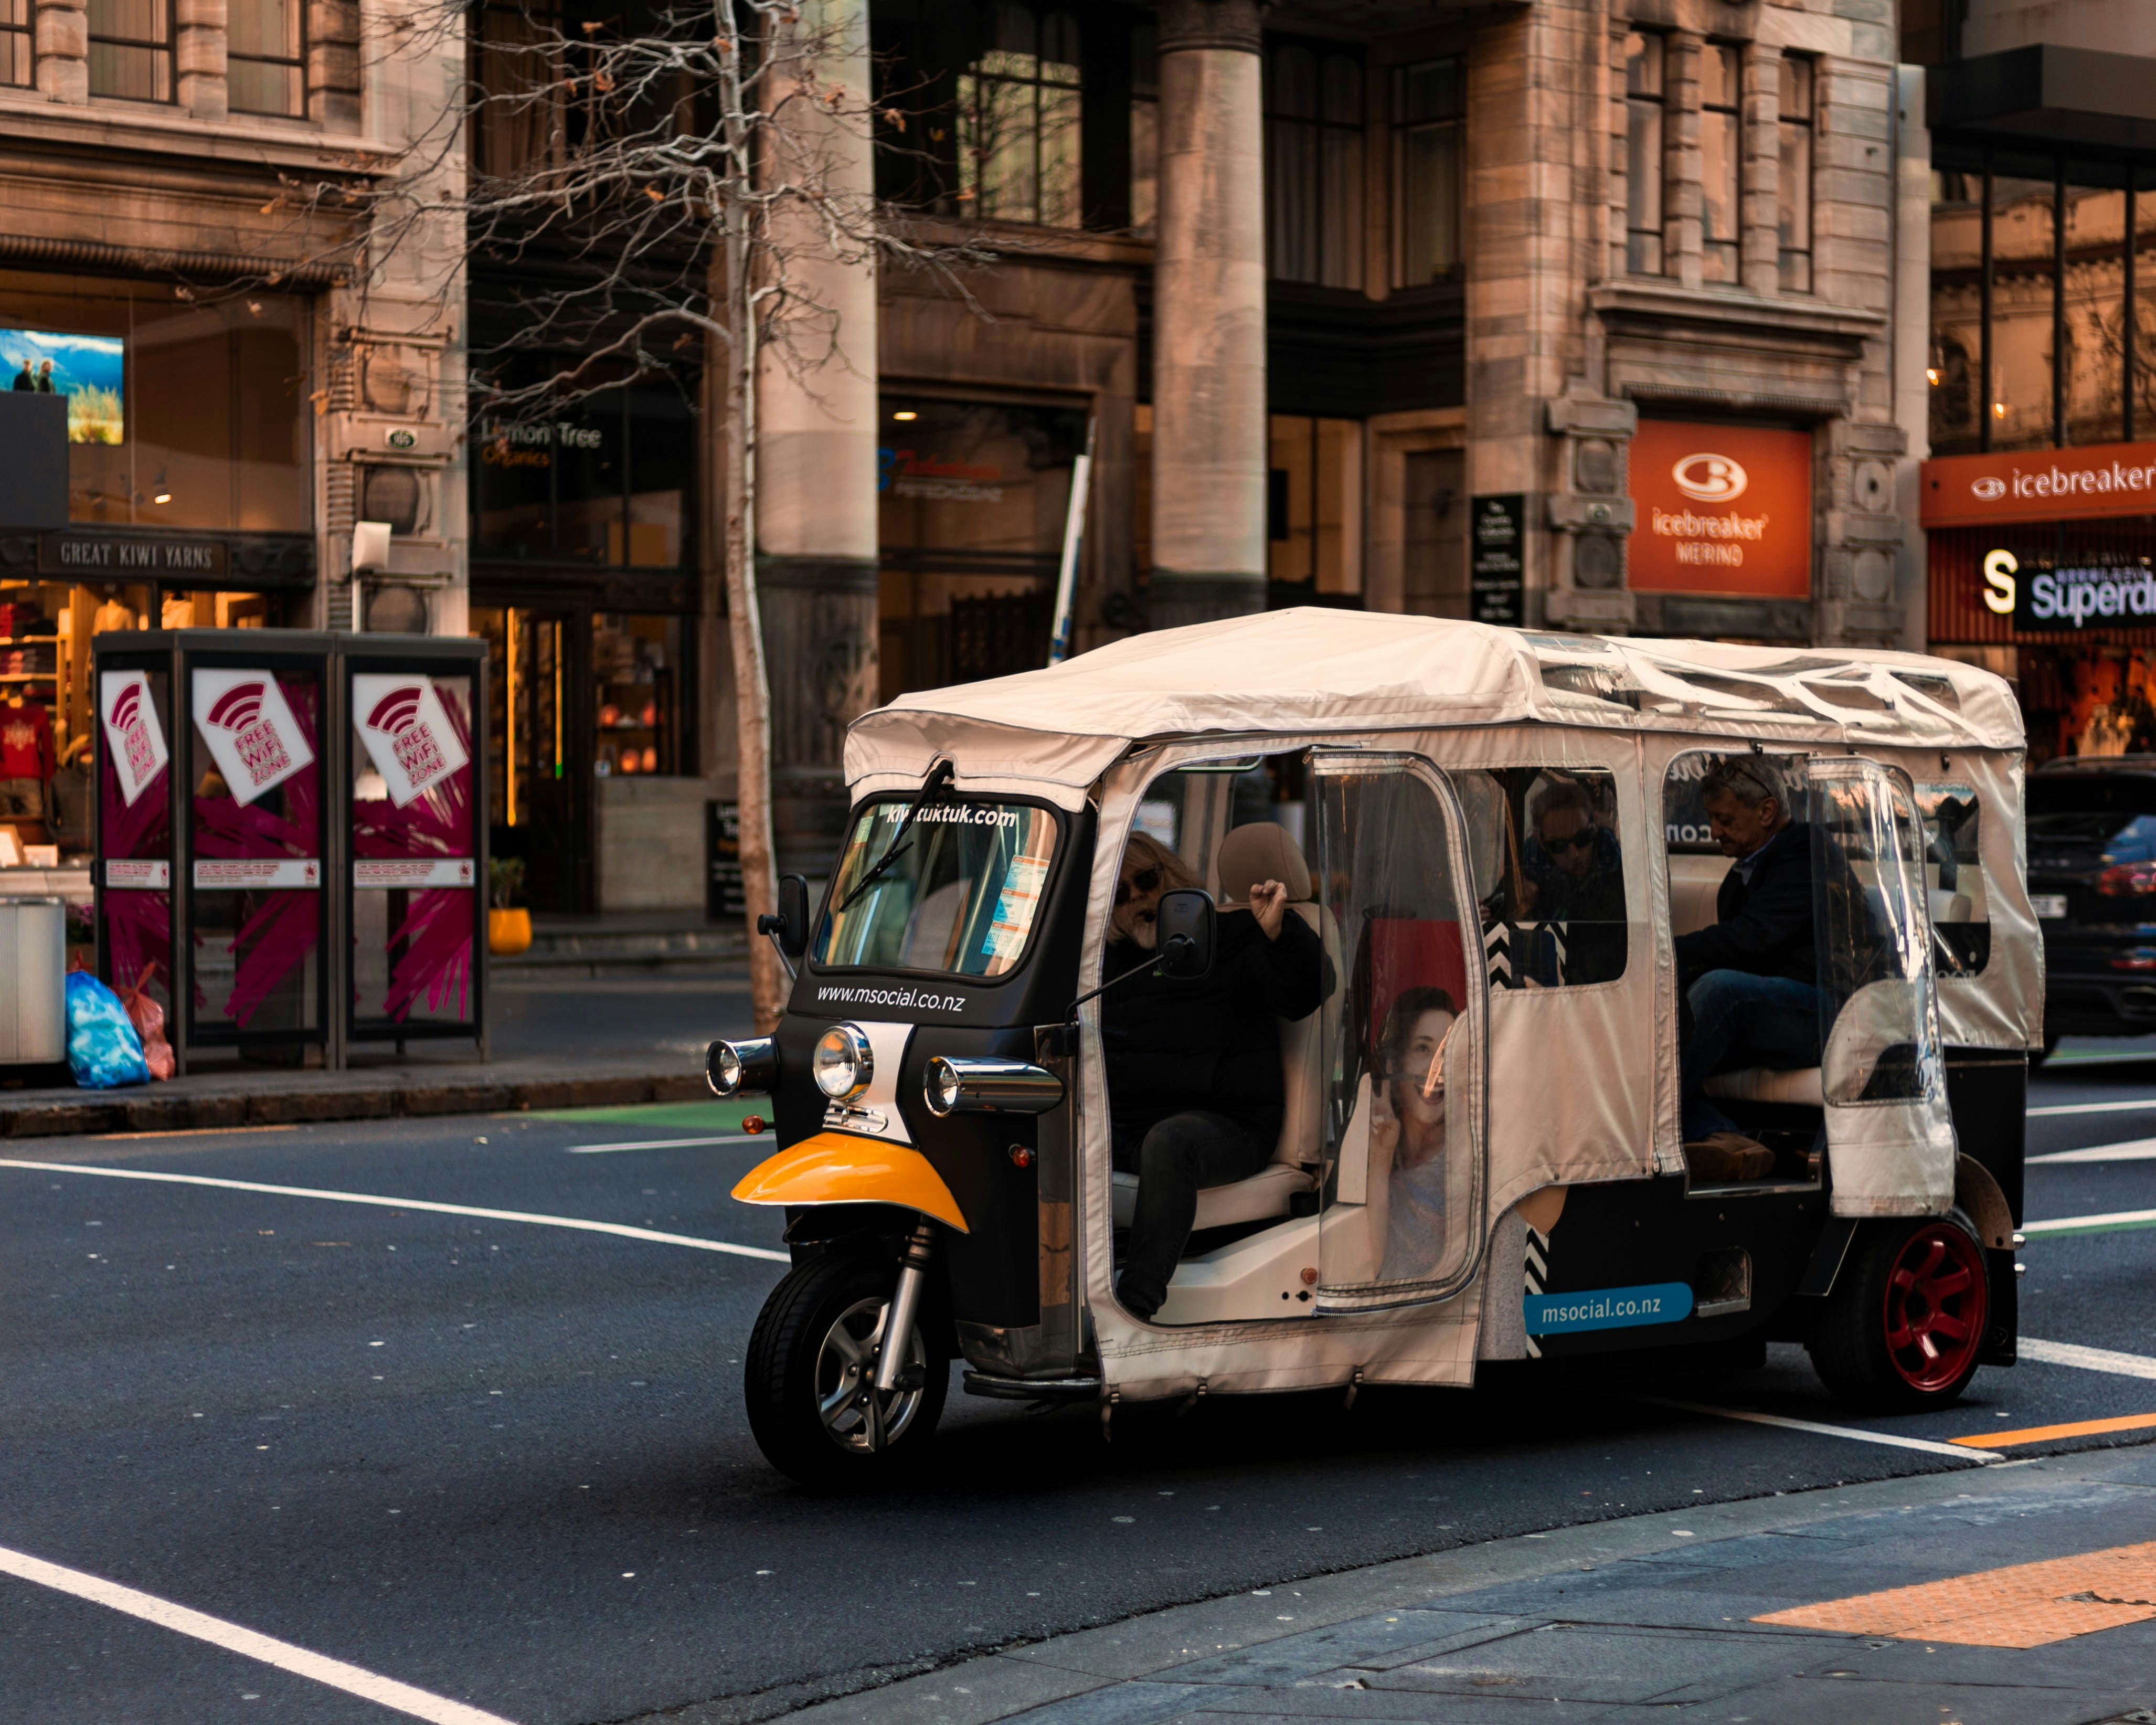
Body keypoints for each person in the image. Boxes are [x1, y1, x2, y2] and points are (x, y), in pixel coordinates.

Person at [1102, 830, 1328, 1321]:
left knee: (1171, 1140)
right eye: (1120, 892)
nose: (1138, 898)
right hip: (1127, 1128)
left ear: (1174, 876)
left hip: (1228, 1126)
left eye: (1146, 880)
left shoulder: (1237, 936)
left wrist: (1280, 932)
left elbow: (1304, 993)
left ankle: (1136, 1306)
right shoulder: (1107, 964)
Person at [1673, 757, 1817, 1180]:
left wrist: (1667, 954)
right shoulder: (1736, 882)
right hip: (1768, 1012)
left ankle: (1639, 1121)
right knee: (1669, 1013)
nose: (1715, 831)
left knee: (1721, 992)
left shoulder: (1805, 851)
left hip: (1827, 1011)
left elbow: (1751, 940)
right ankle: (1718, 1133)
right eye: (1712, 819)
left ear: (1766, 812)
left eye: (1724, 819)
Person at [1370, 985, 1456, 1282]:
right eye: (1423, 1049)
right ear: (1395, 1063)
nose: (1438, 1068)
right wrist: (1381, 1155)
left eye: (1448, 1052)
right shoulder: (1373, 1145)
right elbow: (1367, 1265)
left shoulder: (1467, 1158)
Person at [1521, 775, 1626, 984]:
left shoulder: (1619, 876)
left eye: (1582, 839)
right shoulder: (1529, 868)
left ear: (1594, 826)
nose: (1574, 855)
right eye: (1559, 846)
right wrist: (1518, 904)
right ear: (1542, 842)